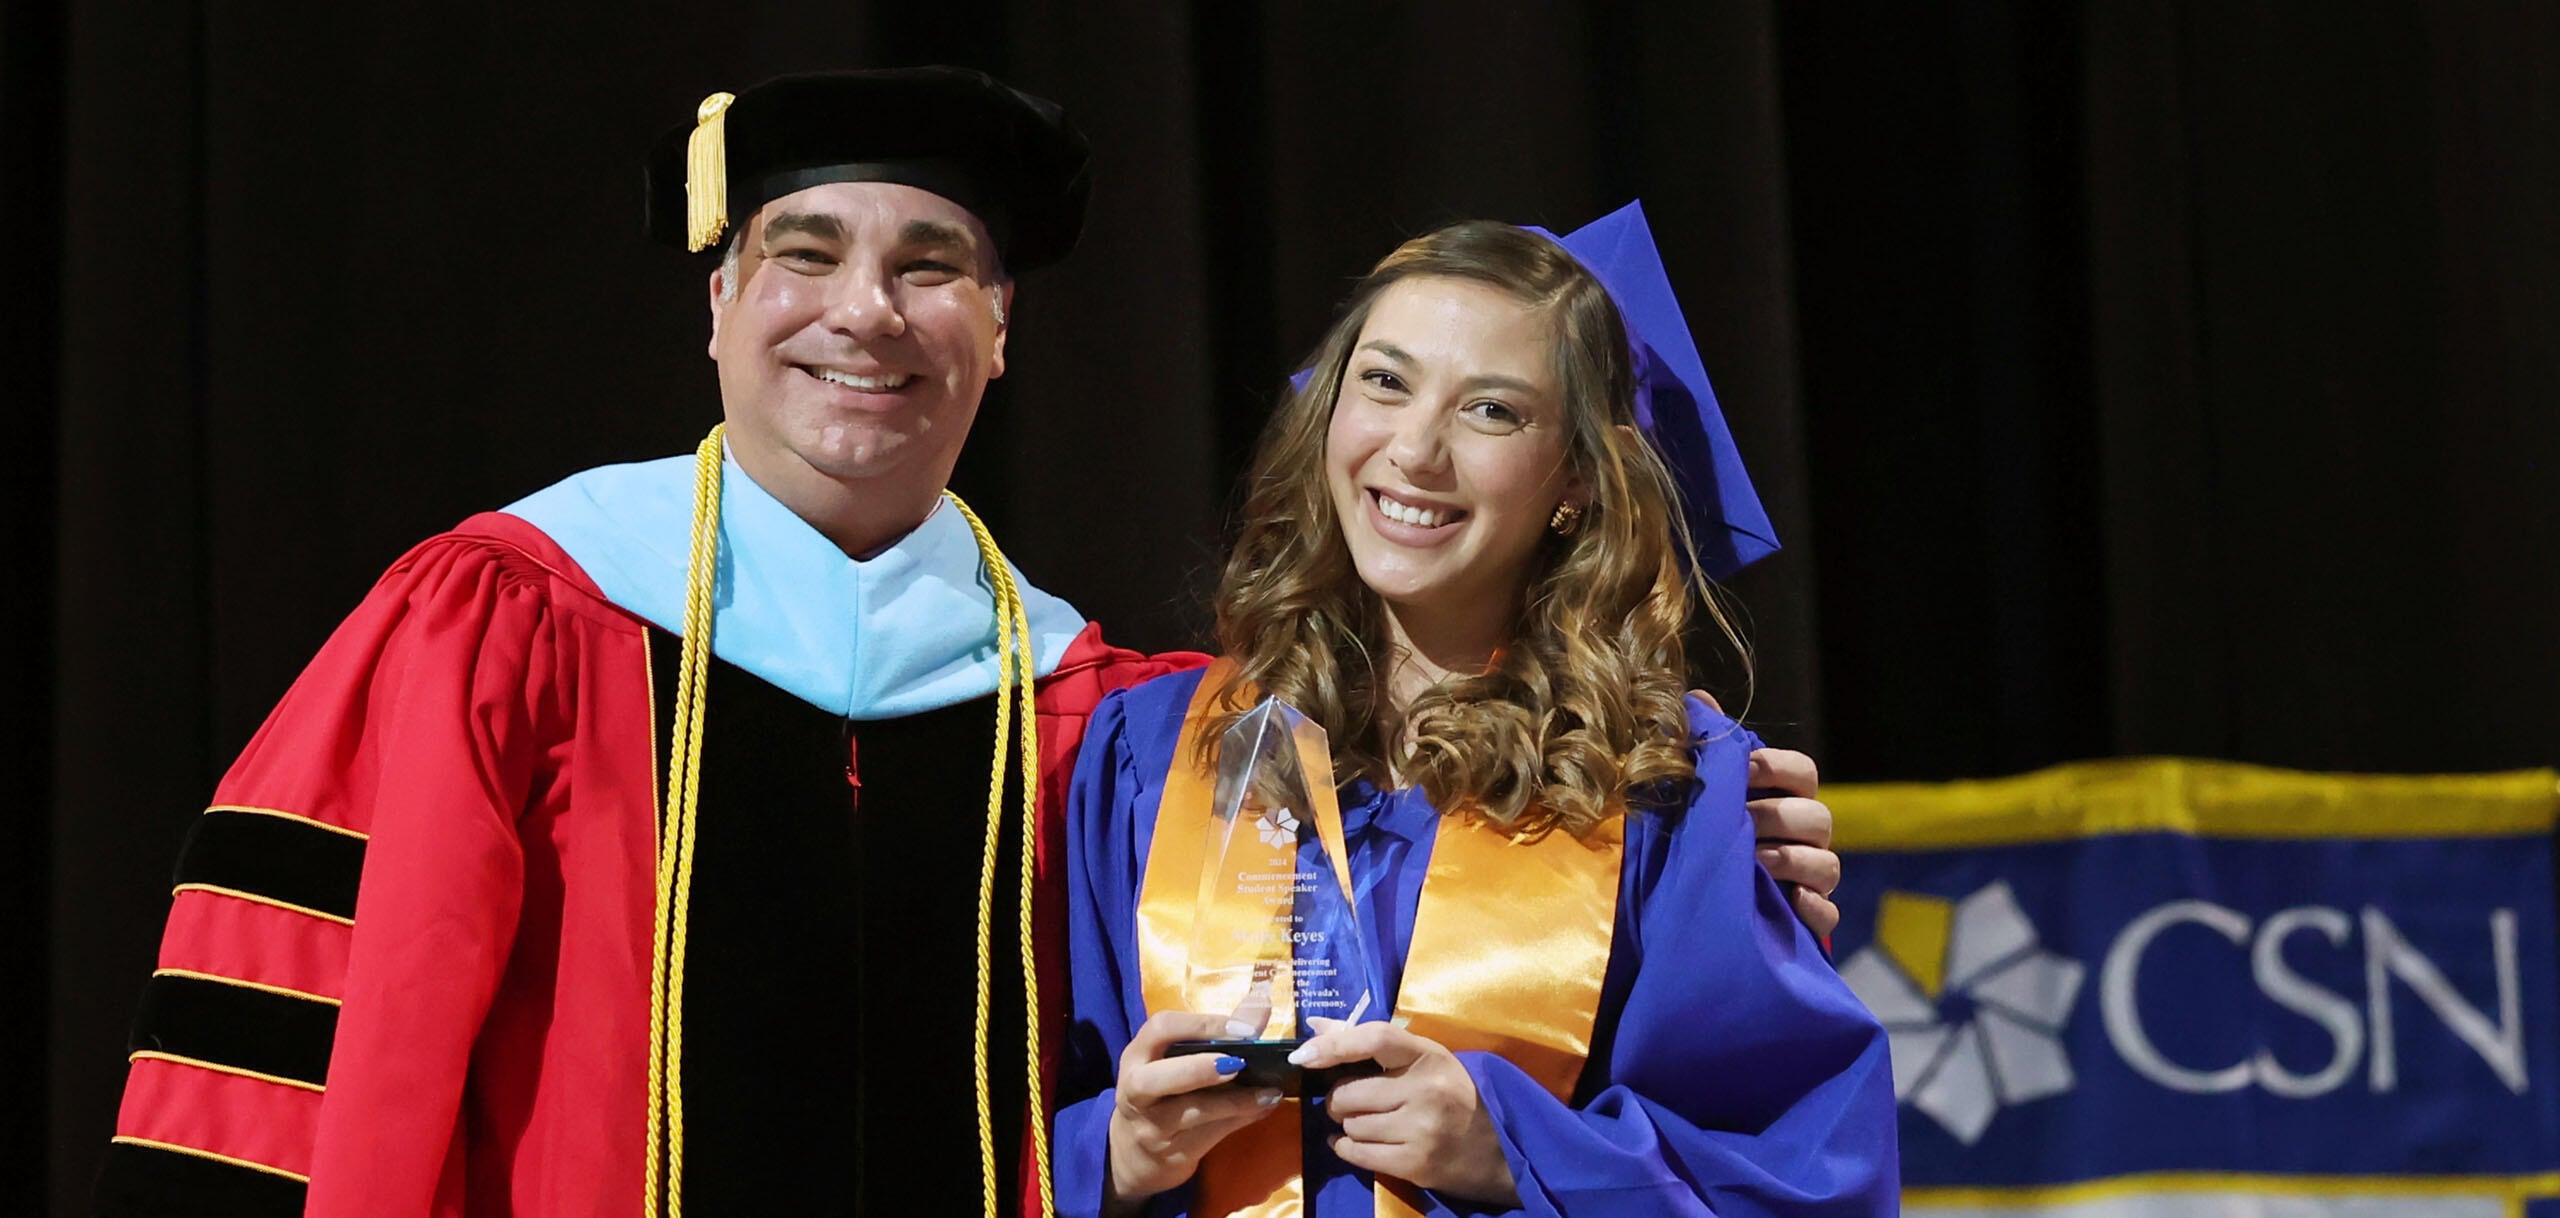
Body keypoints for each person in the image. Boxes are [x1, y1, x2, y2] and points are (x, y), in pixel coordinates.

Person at [95, 69, 1846, 1218]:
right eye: (805, 252)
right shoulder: (508, 616)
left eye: (935, 263)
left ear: (1000, 331)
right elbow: (318, 1058)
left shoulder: (1083, 714)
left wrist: (1693, 821)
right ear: (720, 304)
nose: (868, 310)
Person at [1057, 208, 1896, 1217]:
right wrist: (1109, 1156)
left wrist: (1513, 1152)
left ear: (1577, 482)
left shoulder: (1664, 786)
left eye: (1490, 411)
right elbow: (982, 1121)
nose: (1414, 449)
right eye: (1384, 381)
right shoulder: (1149, 753)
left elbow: (1800, 1178)